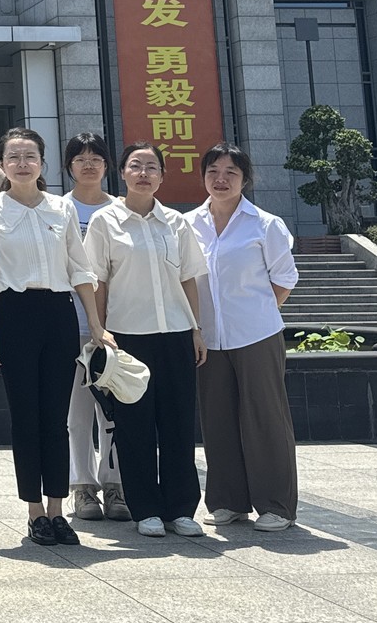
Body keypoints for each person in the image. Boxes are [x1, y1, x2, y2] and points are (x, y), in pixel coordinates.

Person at [0, 128, 95, 547]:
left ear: (42, 163)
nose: (22, 163)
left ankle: (58, 509)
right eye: (14, 156)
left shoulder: (61, 208)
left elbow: (80, 269)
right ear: (2, 164)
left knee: (56, 417)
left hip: (59, 313)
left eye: (30, 156)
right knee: (26, 416)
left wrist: (96, 325)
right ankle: (35, 511)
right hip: (15, 314)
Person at [83, 142, 210, 539]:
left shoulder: (176, 223)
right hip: (127, 337)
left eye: (152, 167)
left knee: (178, 423)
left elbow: (188, 279)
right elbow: (97, 281)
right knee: (134, 427)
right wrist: (99, 330)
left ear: (162, 176)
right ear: (122, 172)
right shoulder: (105, 222)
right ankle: (146, 509)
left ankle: (181, 509)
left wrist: (196, 328)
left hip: (175, 333)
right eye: (135, 166)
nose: (143, 174)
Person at [190, 144, 301, 533]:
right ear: (203, 176)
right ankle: (228, 501)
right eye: (213, 171)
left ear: (245, 179)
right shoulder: (188, 225)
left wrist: (257, 311)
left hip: (256, 335)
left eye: (231, 173)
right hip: (208, 338)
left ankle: (276, 505)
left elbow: (284, 278)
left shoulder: (265, 224)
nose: (221, 179)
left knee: (265, 418)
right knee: (217, 418)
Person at [60, 133, 124, 521]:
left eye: (95, 158)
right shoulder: (57, 209)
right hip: (72, 324)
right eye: (80, 158)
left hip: (117, 326)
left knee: (113, 410)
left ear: (107, 165)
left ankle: (115, 484)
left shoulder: (120, 210)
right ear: (68, 166)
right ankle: (82, 486)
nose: (88, 165)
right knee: (78, 412)